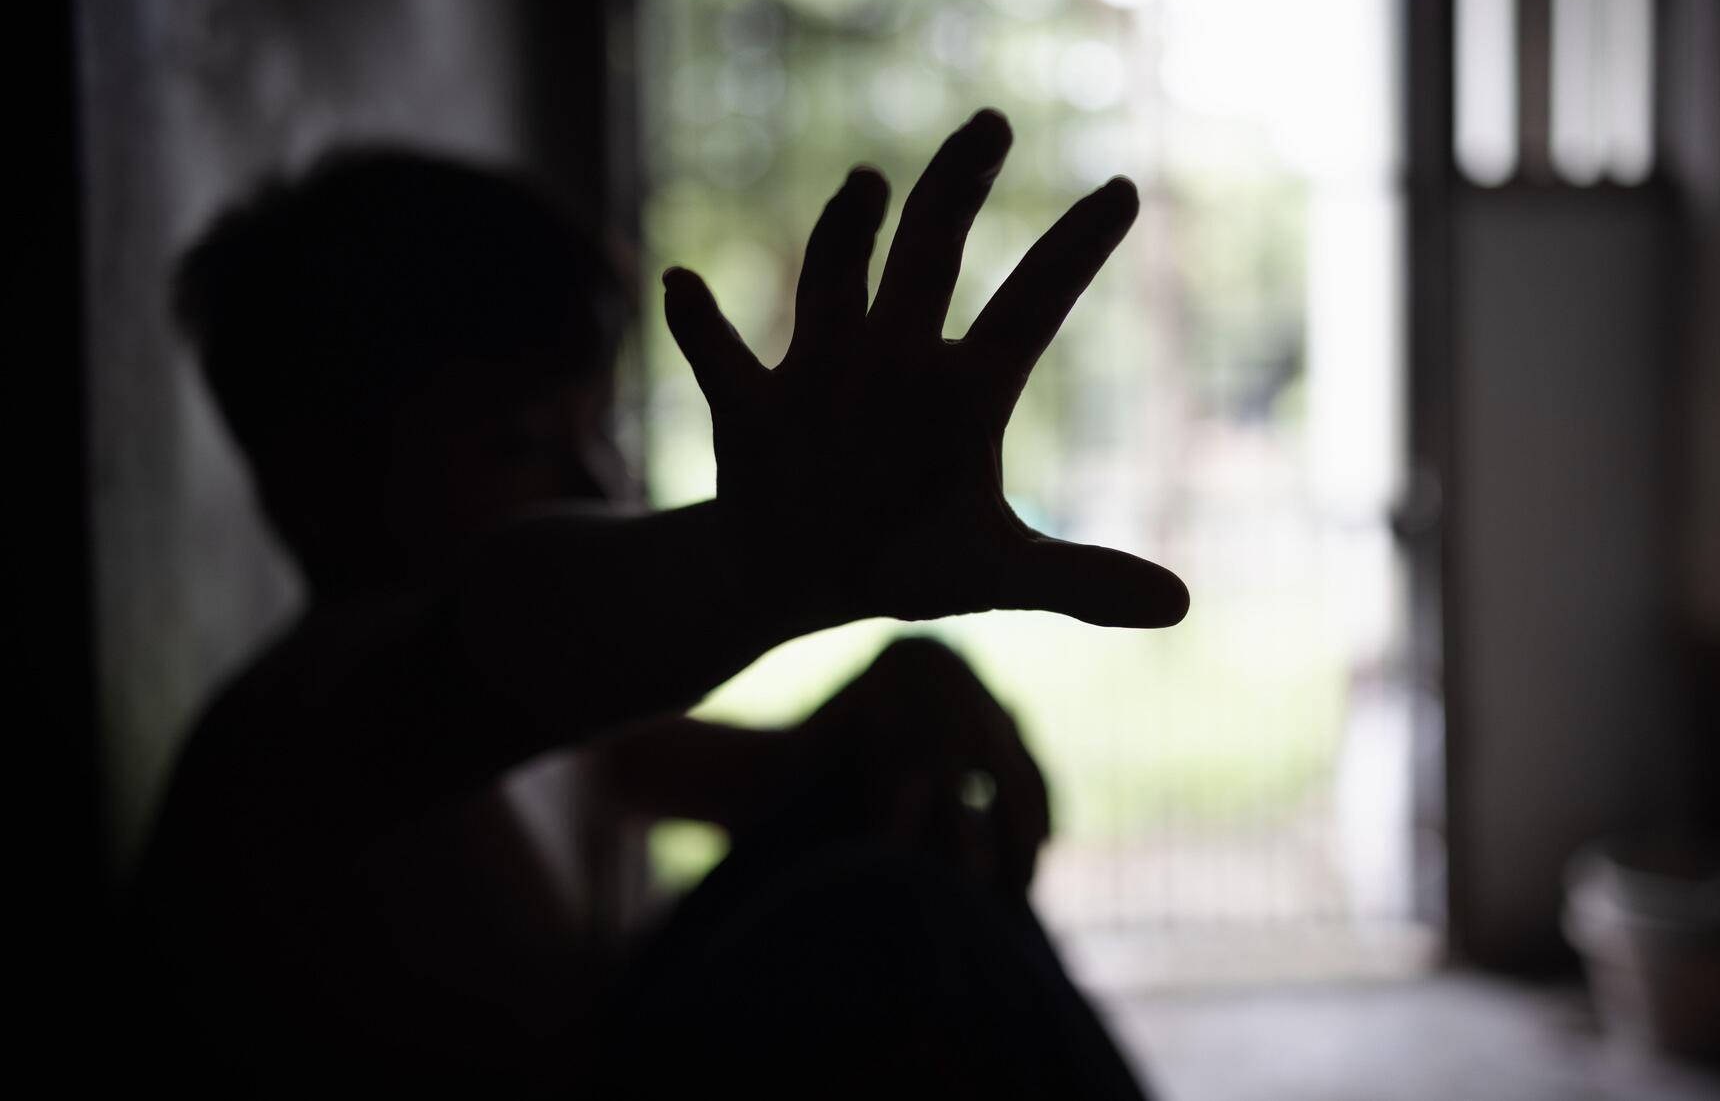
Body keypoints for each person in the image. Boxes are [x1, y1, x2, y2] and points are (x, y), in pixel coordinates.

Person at [126, 109, 1185, 1096]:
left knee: (887, 811)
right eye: (517, 440)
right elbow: (508, 645)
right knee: (895, 920)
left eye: (596, 428)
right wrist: (768, 563)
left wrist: (891, 696)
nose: (591, 484)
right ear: (318, 470)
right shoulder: (306, 733)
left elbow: (755, 769)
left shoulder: (559, 748)